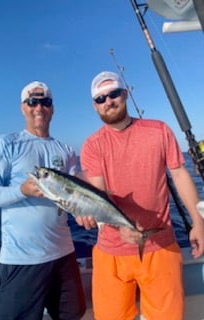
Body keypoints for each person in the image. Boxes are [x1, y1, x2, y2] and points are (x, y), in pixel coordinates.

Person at [76, 71, 204, 320]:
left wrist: (198, 222)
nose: (108, 101)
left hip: (161, 246)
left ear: (125, 94)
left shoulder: (159, 130)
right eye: (100, 98)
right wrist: (117, 225)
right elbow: (99, 194)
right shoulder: (92, 145)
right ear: (94, 105)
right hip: (110, 252)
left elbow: (179, 175)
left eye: (113, 93)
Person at [0, 81, 86, 320]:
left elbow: (75, 198)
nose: (39, 107)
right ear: (23, 108)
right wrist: (22, 190)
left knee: (72, 315)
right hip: (21, 259)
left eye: (45, 102)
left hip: (64, 255)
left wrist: (87, 212)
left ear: (52, 108)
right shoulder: (7, 144)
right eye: (32, 102)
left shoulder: (66, 150)